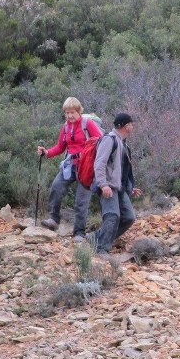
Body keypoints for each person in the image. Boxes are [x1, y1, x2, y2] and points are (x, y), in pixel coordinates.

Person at [36, 97, 100, 241]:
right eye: (67, 113)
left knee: (81, 201)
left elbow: (101, 141)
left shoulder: (87, 124)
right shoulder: (66, 127)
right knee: (56, 187)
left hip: (86, 167)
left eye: (72, 112)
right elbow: (60, 147)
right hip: (70, 165)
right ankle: (54, 219)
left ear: (79, 111)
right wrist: (47, 153)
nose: (70, 116)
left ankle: (79, 233)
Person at [92, 112, 142, 255]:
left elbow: (121, 170)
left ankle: (94, 239)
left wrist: (130, 188)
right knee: (112, 215)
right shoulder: (110, 139)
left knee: (128, 217)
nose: (132, 126)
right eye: (131, 124)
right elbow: (99, 163)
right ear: (126, 126)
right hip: (108, 187)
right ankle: (101, 249)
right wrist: (103, 184)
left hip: (119, 188)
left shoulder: (122, 143)